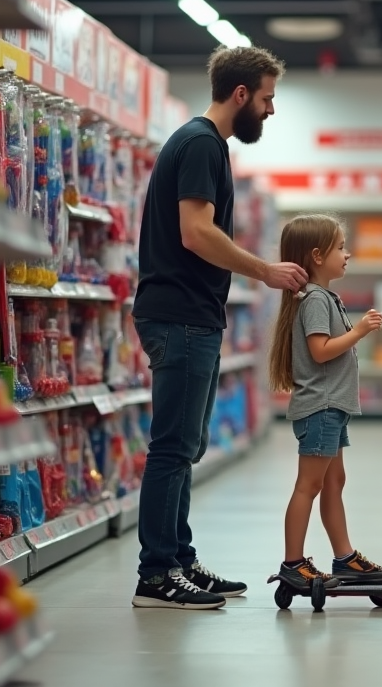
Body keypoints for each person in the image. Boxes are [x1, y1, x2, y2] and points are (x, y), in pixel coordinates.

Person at [131, 45, 308, 611]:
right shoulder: (203, 144)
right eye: (267, 97)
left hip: (189, 315)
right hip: (179, 315)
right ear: (241, 95)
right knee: (173, 447)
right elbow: (195, 233)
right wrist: (264, 272)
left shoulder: (201, 143)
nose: (271, 109)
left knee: (186, 445)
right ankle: (156, 574)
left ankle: (179, 558)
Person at [268, 214, 382, 590]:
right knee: (309, 485)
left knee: (334, 481)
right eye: (341, 247)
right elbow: (320, 352)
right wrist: (358, 331)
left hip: (332, 407)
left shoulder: (324, 297)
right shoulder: (315, 300)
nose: (348, 254)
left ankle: (345, 558)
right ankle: (293, 563)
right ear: (318, 256)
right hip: (321, 407)